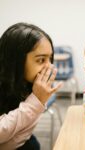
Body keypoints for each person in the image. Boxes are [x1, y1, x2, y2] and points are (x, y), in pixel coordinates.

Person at [0, 22, 62, 150]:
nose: (50, 67)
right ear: (16, 60)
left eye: (50, 59)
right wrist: (35, 102)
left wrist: (37, 99)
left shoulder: (27, 83)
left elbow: (24, 132)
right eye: (41, 60)